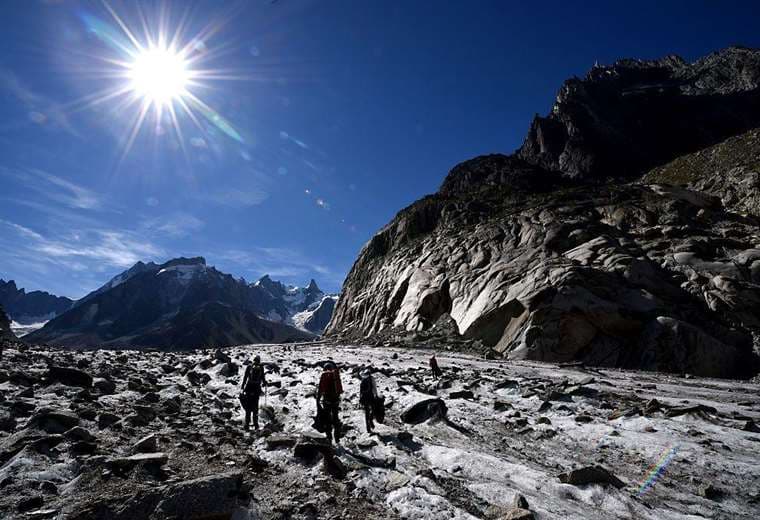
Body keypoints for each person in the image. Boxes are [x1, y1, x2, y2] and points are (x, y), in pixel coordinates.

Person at [317, 361, 343, 443]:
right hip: (335, 401)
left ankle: (329, 437)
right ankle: (337, 438)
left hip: (327, 401)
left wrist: (318, 398)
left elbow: (321, 388)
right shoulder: (336, 376)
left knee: (327, 419)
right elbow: (340, 389)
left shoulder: (324, 375)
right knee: (336, 418)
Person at [240, 355, 267, 431]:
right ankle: (256, 425)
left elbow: (245, 377)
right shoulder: (261, 367)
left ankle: (247, 425)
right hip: (256, 390)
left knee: (248, 408)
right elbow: (263, 378)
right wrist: (264, 383)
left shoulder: (249, 366)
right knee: (255, 408)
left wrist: (242, 387)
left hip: (248, 388)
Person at [359, 369, 379, 434]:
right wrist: (376, 395)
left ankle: (368, 428)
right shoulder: (371, 379)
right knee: (374, 409)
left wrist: (360, 398)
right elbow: (374, 388)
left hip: (364, 398)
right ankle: (370, 420)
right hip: (370, 397)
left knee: (366, 413)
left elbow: (361, 390)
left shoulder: (363, 378)